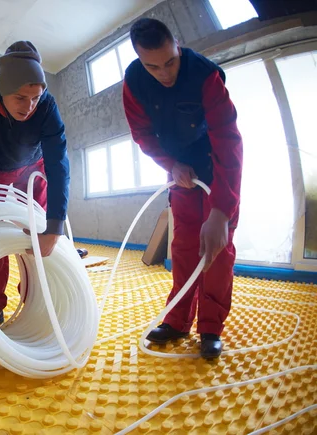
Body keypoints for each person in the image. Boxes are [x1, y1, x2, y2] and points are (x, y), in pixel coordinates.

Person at [122, 18, 243, 359]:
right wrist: (170, 165)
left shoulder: (206, 76)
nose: (164, 73)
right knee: (185, 246)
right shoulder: (134, 83)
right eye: (153, 66)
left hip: (216, 167)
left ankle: (210, 328)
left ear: (177, 45)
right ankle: (177, 321)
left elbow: (229, 142)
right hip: (180, 171)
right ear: (139, 60)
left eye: (170, 61)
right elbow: (142, 135)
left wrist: (221, 210)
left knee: (216, 252)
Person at [0, 41, 70, 325]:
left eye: (36, 97)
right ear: (2, 89)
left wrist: (55, 227)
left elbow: (58, 162)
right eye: (21, 98)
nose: (30, 107)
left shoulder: (46, 105)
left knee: (38, 229)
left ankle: (38, 295)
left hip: (33, 166)